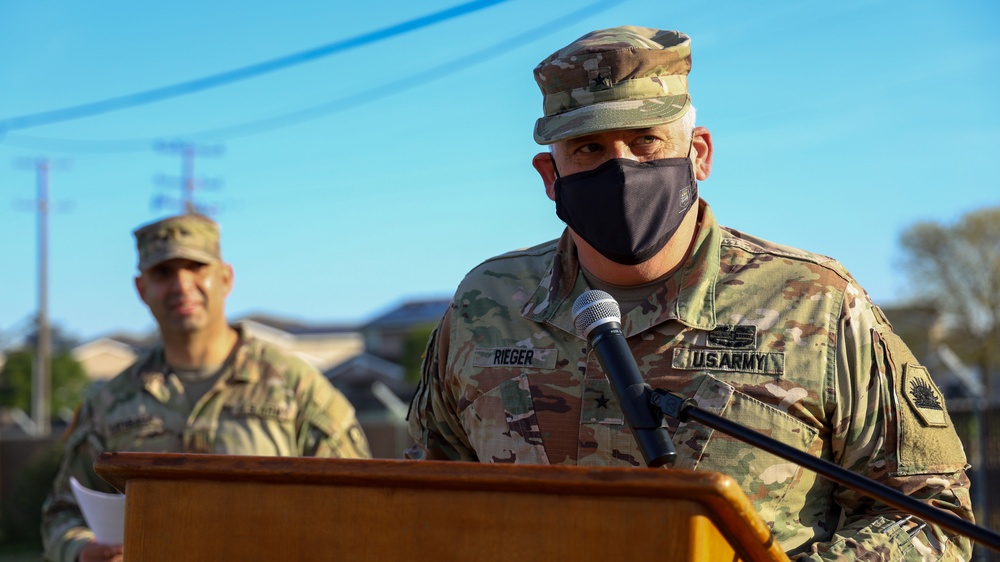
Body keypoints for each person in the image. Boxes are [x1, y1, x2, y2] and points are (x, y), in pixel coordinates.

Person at [406, 26, 973, 560]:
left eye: (646, 141)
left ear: (698, 153)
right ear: (550, 177)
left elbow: (932, 515)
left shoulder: (816, 302)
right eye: (588, 149)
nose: (621, 167)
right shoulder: (488, 304)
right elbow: (421, 499)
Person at [41, 213, 371, 562]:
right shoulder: (109, 402)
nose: (182, 284)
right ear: (142, 289)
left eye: (195, 267)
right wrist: (81, 551)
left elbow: (357, 505)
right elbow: (62, 513)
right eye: (163, 272)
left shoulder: (296, 388)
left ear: (225, 278)